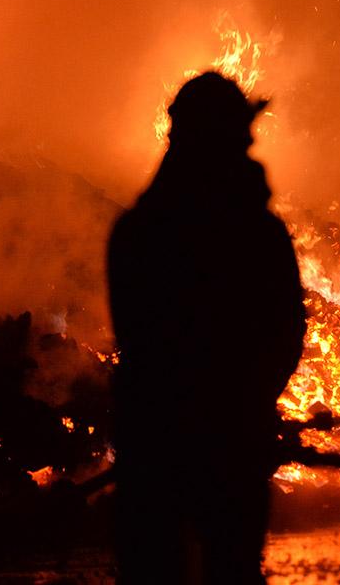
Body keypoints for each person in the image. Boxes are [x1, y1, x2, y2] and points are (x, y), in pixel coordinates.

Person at [107, 72, 307, 583]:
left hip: (153, 450)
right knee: (231, 571)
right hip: (229, 450)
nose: (249, 144)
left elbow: (139, 344)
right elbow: (284, 332)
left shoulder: (137, 231)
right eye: (241, 135)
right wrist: (252, 409)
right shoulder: (257, 235)